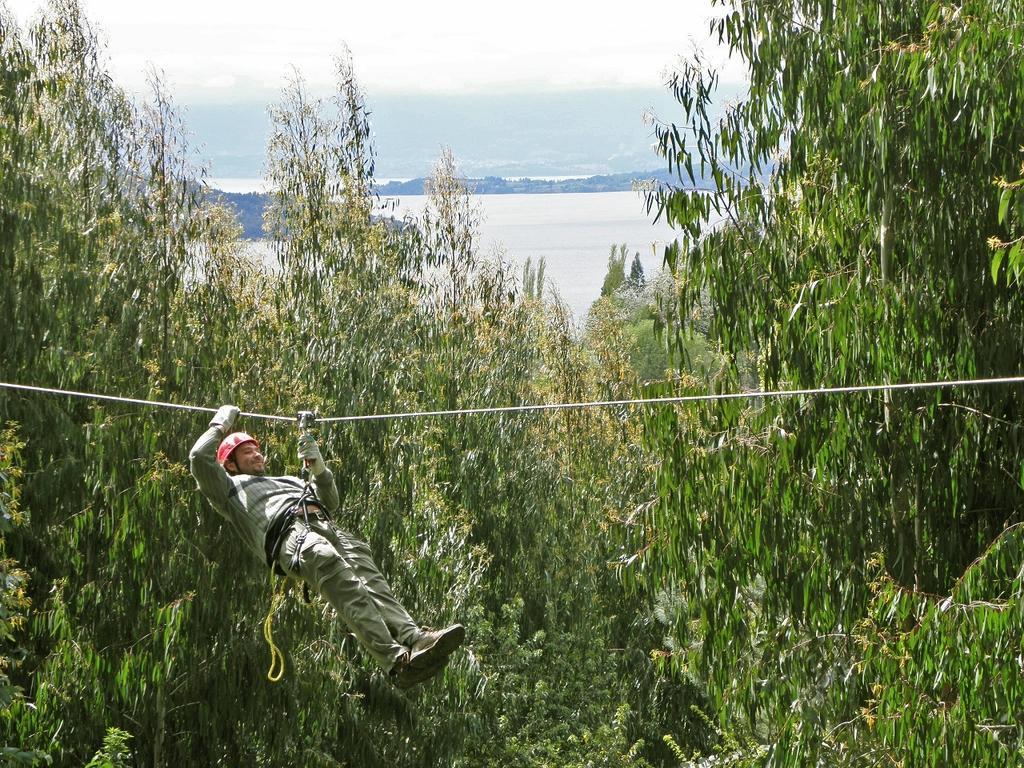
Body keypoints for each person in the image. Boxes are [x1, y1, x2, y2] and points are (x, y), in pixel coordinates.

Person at [189, 404, 464, 688]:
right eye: (247, 452)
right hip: (292, 536)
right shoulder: (228, 490)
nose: (257, 454)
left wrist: (318, 467)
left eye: (257, 450)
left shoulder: (288, 480)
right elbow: (199, 457)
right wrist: (222, 422)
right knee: (347, 586)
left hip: (326, 527)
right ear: (230, 463)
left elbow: (329, 502)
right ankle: (397, 663)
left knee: (373, 583)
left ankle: (416, 639)